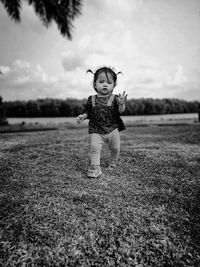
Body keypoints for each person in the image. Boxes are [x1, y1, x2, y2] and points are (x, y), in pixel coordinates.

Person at [77, 67, 127, 178]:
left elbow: (120, 112)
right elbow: (89, 112)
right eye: (101, 81)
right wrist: (83, 116)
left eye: (109, 82)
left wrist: (122, 104)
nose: (105, 84)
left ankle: (113, 162)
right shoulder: (92, 99)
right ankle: (95, 168)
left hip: (112, 129)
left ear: (114, 85)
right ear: (95, 84)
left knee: (115, 148)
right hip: (96, 130)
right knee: (94, 148)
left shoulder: (115, 99)